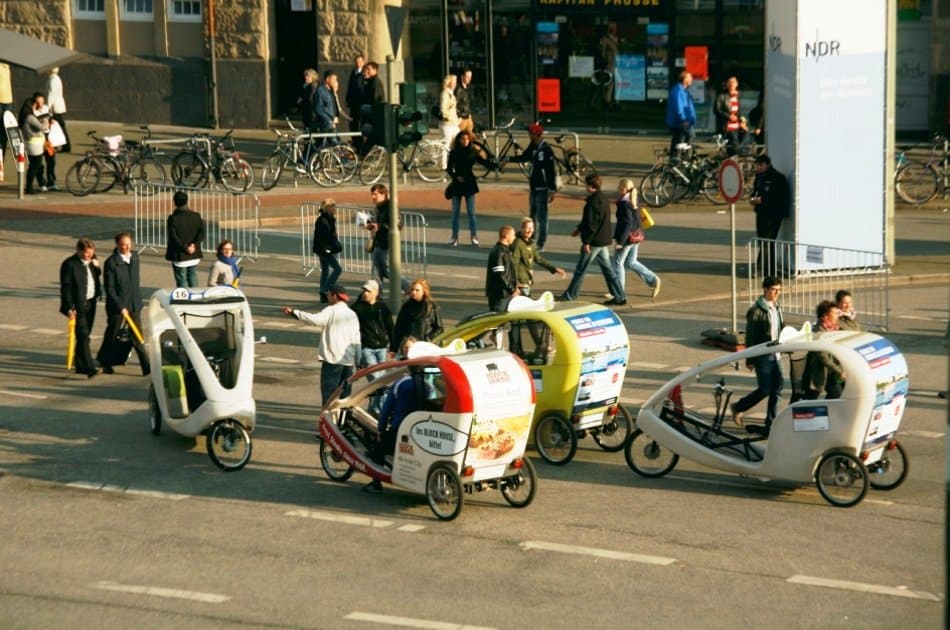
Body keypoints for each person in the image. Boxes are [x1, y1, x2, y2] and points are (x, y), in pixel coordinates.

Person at [282, 284, 361, 407]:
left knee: (329, 394)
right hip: (348, 361)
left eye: (329, 295)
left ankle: (328, 419)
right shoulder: (352, 314)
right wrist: (359, 360)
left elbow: (315, 320)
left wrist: (295, 312)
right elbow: (357, 339)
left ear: (335, 296)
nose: (328, 297)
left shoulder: (331, 310)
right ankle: (344, 420)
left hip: (333, 359)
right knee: (345, 395)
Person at [557, 174, 626, 306]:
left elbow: (591, 224)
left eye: (586, 184)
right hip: (603, 240)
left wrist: (586, 242)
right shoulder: (603, 199)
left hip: (594, 242)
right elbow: (595, 221)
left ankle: (570, 295)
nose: (585, 186)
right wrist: (579, 229)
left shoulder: (592, 202)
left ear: (591, 186)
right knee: (608, 270)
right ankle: (620, 296)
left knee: (581, 269)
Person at [731, 276, 784, 435]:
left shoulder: (777, 307)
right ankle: (739, 407)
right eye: (774, 290)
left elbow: (780, 328)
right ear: (765, 290)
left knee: (778, 389)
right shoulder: (756, 311)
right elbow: (751, 336)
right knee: (765, 389)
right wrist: (750, 359)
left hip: (776, 354)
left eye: (779, 290)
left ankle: (771, 424)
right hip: (763, 355)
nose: (777, 293)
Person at [364, 364, 427, 492]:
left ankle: (376, 484)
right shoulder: (428, 385)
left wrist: (380, 430)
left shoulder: (400, 383)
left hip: (400, 431)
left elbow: (386, 410)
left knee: (377, 448)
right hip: (421, 432)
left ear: (408, 368)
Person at [97, 232, 150, 376]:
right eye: (123, 244)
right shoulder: (111, 263)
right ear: (117, 245)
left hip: (134, 305)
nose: (126, 247)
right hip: (118, 307)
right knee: (112, 334)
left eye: (128, 244)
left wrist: (137, 302)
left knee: (137, 336)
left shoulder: (135, 257)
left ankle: (146, 366)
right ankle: (105, 361)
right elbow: (110, 289)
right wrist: (121, 307)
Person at [502, 122, 557, 250]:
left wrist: (552, 189)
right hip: (533, 186)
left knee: (542, 218)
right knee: (532, 216)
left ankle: (541, 243)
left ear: (535, 135)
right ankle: (532, 238)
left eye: (530, 133)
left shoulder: (546, 150)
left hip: (543, 188)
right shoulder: (533, 146)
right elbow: (524, 157)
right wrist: (509, 159)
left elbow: (550, 171)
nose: (528, 135)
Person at [611, 178, 661, 301]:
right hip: (636, 237)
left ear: (623, 188)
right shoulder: (632, 200)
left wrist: (620, 242)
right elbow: (637, 221)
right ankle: (653, 279)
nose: (617, 188)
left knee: (618, 263)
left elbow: (627, 223)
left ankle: (619, 291)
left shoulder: (624, 203)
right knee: (631, 262)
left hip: (627, 239)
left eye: (619, 186)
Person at [350, 278, 394, 415]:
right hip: (366, 348)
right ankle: (379, 410)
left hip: (382, 347)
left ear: (376, 292)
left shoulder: (382, 307)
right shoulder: (357, 308)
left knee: (379, 381)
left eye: (368, 291)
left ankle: (374, 410)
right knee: (376, 380)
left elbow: (390, 326)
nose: (365, 293)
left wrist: (393, 345)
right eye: (364, 291)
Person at [60, 238, 102, 378]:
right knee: (83, 336)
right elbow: (66, 287)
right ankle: (89, 368)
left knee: (85, 335)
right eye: (86, 254)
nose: (89, 256)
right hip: (77, 306)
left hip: (91, 302)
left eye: (91, 253)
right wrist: (69, 307)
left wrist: (97, 267)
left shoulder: (92, 262)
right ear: (79, 251)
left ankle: (80, 365)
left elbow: (94, 278)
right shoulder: (69, 265)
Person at [445, 129, 492, 246]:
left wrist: (496, 166)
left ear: (470, 139)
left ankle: (474, 236)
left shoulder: (473, 151)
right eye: (462, 139)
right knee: (455, 213)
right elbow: (449, 169)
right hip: (457, 184)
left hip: (469, 184)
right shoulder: (454, 152)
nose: (465, 141)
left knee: (471, 213)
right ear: (459, 140)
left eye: (466, 139)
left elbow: (484, 162)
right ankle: (454, 236)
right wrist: (456, 177)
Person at [749, 154, 790, 273]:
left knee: (768, 240)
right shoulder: (759, 177)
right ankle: (767, 267)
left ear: (767, 165)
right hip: (761, 212)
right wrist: (753, 199)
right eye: (757, 166)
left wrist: (762, 200)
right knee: (763, 240)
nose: (758, 168)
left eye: (760, 165)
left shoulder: (777, 178)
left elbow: (778, 197)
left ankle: (763, 267)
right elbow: (756, 192)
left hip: (773, 214)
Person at [802, 300, 846, 400]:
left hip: (831, 370)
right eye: (834, 313)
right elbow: (823, 357)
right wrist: (840, 371)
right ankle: (799, 412)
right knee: (811, 397)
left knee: (836, 394)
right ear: (826, 316)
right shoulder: (819, 332)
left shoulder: (835, 328)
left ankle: (826, 413)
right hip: (819, 371)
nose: (837, 316)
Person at [511, 216, 565, 298]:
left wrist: (554, 269)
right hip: (520, 282)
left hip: (526, 280)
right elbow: (513, 264)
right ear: (522, 228)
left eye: (532, 228)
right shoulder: (518, 243)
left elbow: (538, 259)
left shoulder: (530, 243)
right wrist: (514, 285)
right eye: (527, 228)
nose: (530, 230)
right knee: (526, 302)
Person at [165, 190, 204, 288]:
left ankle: (185, 298)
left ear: (175, 202)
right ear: (187, 201)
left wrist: (185, 247)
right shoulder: (196, 216)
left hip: (180, 254)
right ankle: (195, 298)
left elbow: (173, 237)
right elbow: (201, 233)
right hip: (194, 253)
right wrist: (193, 245)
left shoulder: (173, 218)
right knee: (193, 276)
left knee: (181, 279)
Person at [391, 279, 443, 350]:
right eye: (412, 290)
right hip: (408, 347)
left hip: (425, 347)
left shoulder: (431, 307)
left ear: (424, 292)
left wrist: (427, 338)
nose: (413, 292)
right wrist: (394, 347)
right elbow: (398, 328)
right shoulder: (406, 306)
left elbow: (439, 328)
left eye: (417, 290)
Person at [312, 198, 343, 303]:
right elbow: (326, 237)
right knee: (337, 269)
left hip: (322, 249)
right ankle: (325, 290)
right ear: (328, 208)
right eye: (333, 206)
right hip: (325, 249)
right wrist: (333, 246)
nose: (335, 208)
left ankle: (322, 292)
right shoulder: (324, 220)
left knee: (325, 270)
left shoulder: (328, 219)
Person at [366, 184, 394, 295]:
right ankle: (377, 298)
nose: (373, 197)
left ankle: (410, 289)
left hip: (387, 245)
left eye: (375, 194)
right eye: (372, 194)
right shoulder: (378, 207)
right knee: (376, 275)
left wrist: (379, 226)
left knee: (389, 273)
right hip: (378, 244)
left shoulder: (390, 207)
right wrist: (371, 225)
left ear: (384, 194)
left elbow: (397, 224)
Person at [486, 225, 518, 312]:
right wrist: (512, 290)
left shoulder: (505, 251)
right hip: (499, 295)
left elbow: (508, 273)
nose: (514, 237)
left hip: (505, 293)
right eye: (513, 235)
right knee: (497, 320)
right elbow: (500, 275)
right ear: (506, 236)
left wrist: (514, 287)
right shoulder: (499, 252)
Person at [19, 96, 46, 194]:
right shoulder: (30, 117)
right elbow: (41, 127)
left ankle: (41, 183)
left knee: (35, 165)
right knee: (35, 166)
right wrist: (45, 122)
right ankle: (29, 187)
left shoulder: (24, 116)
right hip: (35, 144)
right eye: (35, 105)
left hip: (30, 144)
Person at [666, 70, 696, 155]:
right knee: (687, 136)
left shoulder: (683, 90)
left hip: (683, 122)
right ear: (685, 79)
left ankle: (678, 157)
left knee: (679, 139)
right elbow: (678, 107)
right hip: (679, 122)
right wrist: (683, 119)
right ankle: (681, 157)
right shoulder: (678, 90)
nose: (691, 80)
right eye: (690, 78)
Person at [714, 76, 741, 155]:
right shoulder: (721, 96)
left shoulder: (736, 97)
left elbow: (738, 111)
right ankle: (732, 164)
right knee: (733, 147)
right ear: (728, 85)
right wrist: (729, 116)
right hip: (727, 126)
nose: (732, 86)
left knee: (739, 144)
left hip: (736, 125)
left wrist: (741, 119)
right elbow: (716, 110)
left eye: (734, 84)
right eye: (730, 84)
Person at [47, 67, 70, 153]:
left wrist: (48, 107)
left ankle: (62, 145)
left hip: (55, 107)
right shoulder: (57, 79)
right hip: (59, 105)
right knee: (59, 126)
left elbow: (51, 95)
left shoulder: (52, 80)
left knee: (55, 126)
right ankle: (63, 145)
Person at [314, 69, 341, 143]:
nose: (336, 81)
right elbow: (318, 108)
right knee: (335, 143)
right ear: (327, 79)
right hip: (326, 124)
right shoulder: (321, 91)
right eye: (334, 79)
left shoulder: (331, 92)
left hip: (332, 123)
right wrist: (329, 120)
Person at [438, 74, 460, 154]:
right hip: (447, 124)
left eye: (455, 82)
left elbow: (452, 109)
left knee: (456, 142)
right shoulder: (445, 93)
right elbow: (443, 108)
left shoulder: (451, 93)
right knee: (446, 145)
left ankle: (452, 163)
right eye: (453, 82)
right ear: (448, 82)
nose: (455, 84)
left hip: (453, 123)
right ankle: (444, 165)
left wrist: (457, 119)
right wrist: (448, 117)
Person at [345, 54, 366, 134]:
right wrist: (348, 99)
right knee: (354, 121)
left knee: (361, 121)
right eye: (357, 62)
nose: (358, 63)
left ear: (363, 62)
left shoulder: (364, 73)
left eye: (360, 62)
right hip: (354, 102)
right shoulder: (353, 73)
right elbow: (350, 87)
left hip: (361, 101)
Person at [455, 68, 474, 134]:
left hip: (468, 117)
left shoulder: (468, 89)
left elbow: (467, 103)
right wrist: (459, 116)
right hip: (461, 119)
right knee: (459, 138)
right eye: (467, 76)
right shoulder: (458, 89)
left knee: (470, 138)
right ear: (462, 77)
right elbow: (454, 104)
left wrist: (469, 114)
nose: (469, 79)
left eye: (470, 77)